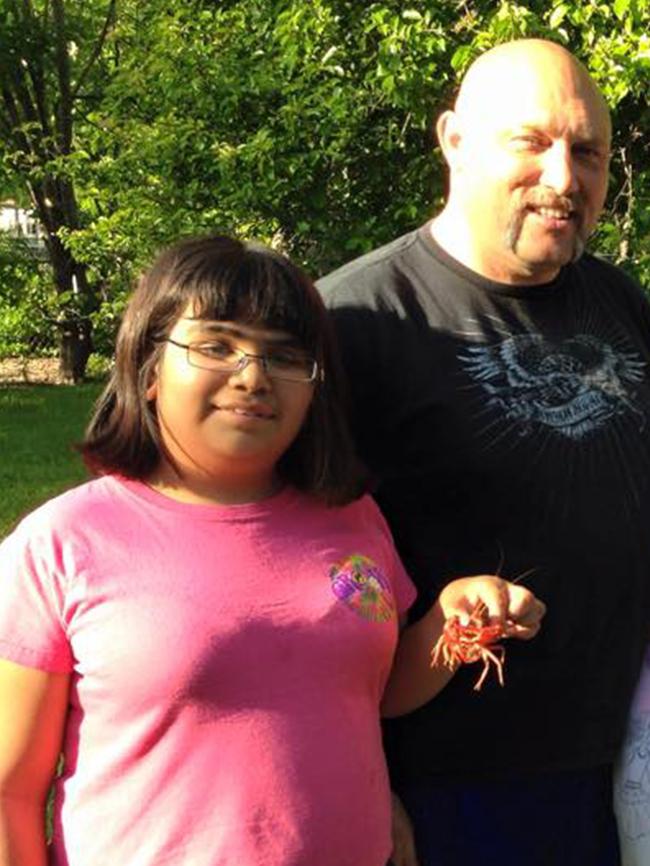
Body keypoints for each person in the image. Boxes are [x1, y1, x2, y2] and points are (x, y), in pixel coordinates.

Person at [0, 234, 543, 866]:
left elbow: (374, 692)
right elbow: (11, 791)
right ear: (149, 370)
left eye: (285, 356)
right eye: (216, 345)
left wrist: (454, 617)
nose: (254, 376)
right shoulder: (62, 543)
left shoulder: (352, 519)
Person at [319, 38, 650, 866]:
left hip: (623, 763)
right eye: (532, 142)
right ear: (454, 140)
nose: (565, 177)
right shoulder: (356, 322)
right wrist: (360, 782)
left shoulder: (621, 302)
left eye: (588, 152)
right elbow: (276, 573)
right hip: (451, 789)